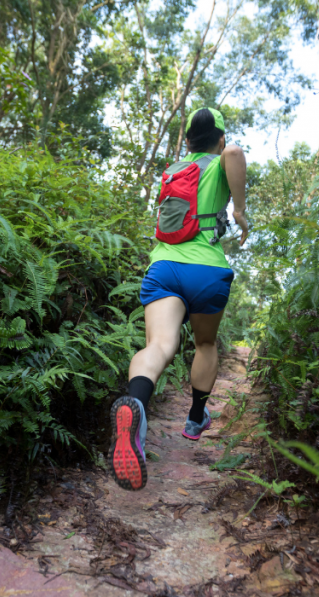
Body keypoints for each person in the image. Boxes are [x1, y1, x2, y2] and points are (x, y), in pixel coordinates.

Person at [110, 107, 249, 491]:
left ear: (187, 141)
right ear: (219, 139)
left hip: (164, 267)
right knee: (204, 343)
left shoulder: (174, 170)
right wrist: (239, 210)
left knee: (158, 345)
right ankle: (195, 418)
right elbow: (235, 154)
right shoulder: (221, 161)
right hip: (206, 270)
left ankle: (135, 406)